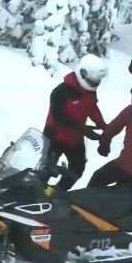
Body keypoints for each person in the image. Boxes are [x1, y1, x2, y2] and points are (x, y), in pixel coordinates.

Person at [43, 55, 108, 190]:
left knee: (77, 169)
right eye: (93, 82)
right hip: (54, 137)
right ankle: (36, 192)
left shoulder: (89, 92)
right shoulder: (60, 92)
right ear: (82, 74)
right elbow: (59, 119)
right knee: (46, 170)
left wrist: (104, 126)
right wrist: (85, 130)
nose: (95, 85)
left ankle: (56, 192)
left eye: (97, 82)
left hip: (75, 139)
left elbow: (92, 108)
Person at [89, 95, 132, 187]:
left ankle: (90, 200)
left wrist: (104, 147)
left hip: (128, 165)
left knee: (98, 178)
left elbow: (110, 130)